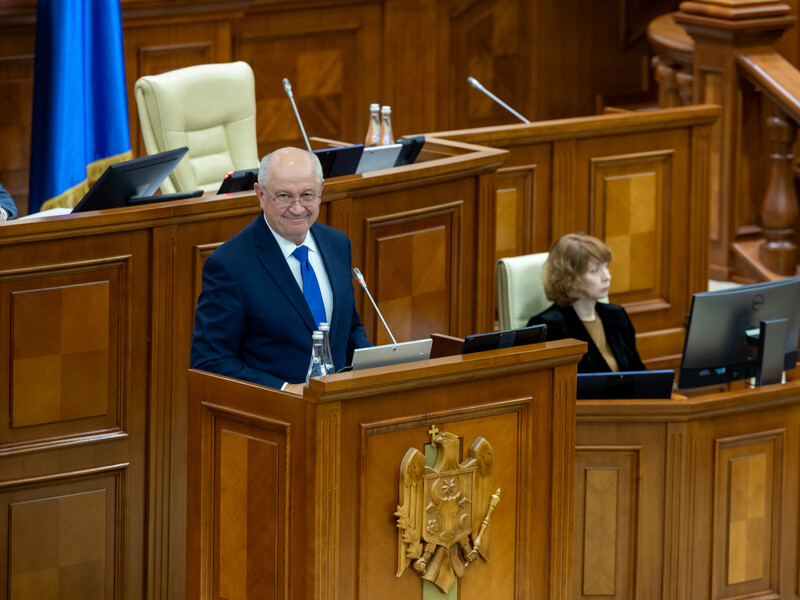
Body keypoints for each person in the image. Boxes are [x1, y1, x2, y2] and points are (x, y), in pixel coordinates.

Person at [191, 147, 371, 392]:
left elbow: (348, 329)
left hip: (339, 407)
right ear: (261, 194)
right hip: (274, 416)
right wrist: (285, 389)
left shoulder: (337, 244)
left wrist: (381, 364)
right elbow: (210, 361)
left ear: (320, 192)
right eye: (284, 196)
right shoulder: (229, 265)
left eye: (307, 195)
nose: (297, 208)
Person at [527, 233, 645, 373]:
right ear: (570, 278)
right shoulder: (548, 327)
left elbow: (639, 373)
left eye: (606, 267)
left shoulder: (617, 315)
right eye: (595, 270)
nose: (607, 276)